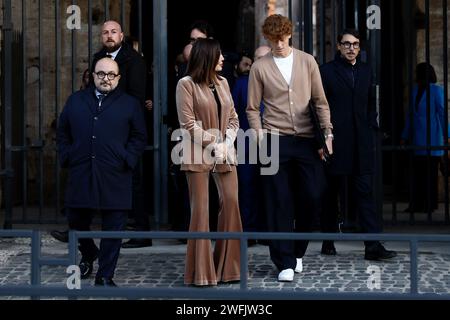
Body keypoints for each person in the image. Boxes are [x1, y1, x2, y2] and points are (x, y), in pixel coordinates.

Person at [247, 14, 333, 282]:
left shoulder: (307, 61)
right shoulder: (260, 67)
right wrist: (260, 138)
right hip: (273, 139)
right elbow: (252, 108)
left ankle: (297, 251)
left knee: (313, 194)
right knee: (277, 201)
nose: (279, 44)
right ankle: (283, 260)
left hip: (307, 140)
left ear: (290, 35)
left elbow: (320, 100)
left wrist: (327, 133)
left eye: (282, 39)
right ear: (267, 39)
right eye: (273, 40)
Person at [56, 58, 147, 286]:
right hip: (81, 170)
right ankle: (88, 252)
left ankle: (105, 275)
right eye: (101, 74)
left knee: (114, 226)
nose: (106, 78)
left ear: (118, 77)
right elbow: (62, 131)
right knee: (75, 218)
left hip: (116, 173)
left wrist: (128, 158)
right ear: (92, 75)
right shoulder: (76, 100)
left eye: (111, 75)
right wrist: (67, 154)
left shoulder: (129, 103)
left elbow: (139, 136)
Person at [319, 29, 397, 260]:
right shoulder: (327, 71)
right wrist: (324, 137)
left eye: (355, 44)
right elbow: (318, 105)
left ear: (359, 47)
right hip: (336, 141)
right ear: (339, 46)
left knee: (365, 193)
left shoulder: (366, 70)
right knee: (331, 193)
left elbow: (372, 103)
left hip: (362, 142)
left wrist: (371, 126)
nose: (351, 48)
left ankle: (372, 247)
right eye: (346, 44)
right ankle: (328, 239)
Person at [175, 38, 242, 286]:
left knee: (232, 203)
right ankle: (201, 273)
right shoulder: (186, 84)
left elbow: (234, 118)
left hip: (225, 152)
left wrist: (226, 143)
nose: (223, 59)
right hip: (197, 153)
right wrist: (213, 144)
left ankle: (228, 269)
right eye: (219, 55)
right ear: (207, 57)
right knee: (200, 212)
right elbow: (188, 124)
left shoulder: (224, 83)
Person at [92, 20, 152, 248]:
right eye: (105, 32)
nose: (109, 35)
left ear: (122, 35)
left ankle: (142, 233)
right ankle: (80, 229)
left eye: (113, 32)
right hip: (101, 127)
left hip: (125, 128)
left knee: (133, 180)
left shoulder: (134, 60)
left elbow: (136, 97)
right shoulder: (98, 58)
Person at [401, 63, 446, 213]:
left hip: (432, 138)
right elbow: (411, 116)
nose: (414, 75)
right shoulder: (415, 91)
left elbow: (442, 114)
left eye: (417, 72)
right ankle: (417, 204)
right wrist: (405, 135)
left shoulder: (436, 91)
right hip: (417, 139)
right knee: (417, 173)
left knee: (430, 173)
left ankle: (430, 204)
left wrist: (448, 135)